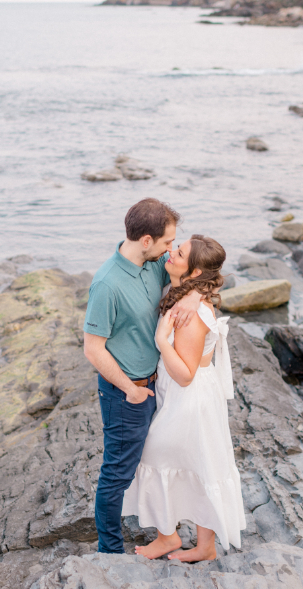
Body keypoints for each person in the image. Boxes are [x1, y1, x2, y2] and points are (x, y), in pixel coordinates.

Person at [83, 198, 203, 555]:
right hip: (127, 393)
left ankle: (165, 531)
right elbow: (93, 349)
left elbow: (197, 273)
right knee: (116, 475)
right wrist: (129, 390)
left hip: (158, 384)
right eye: (168, 242)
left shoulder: (153, 265)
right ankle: (110, 551)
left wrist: (195, 296)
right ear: (147, 240)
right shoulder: (106, 284)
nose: (172, 249)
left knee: (155, 462)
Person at [123, 234, 245, 562]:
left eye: (178, 253)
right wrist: (193, 293)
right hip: (182, 396)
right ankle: (201, 546)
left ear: (191, 273)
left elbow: (186, 374)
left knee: (154, 458)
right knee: (197, 465)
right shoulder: (185, 292)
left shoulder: (189, 314)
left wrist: (163, 341)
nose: (170, 254)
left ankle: (169, 538)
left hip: (189, 399)